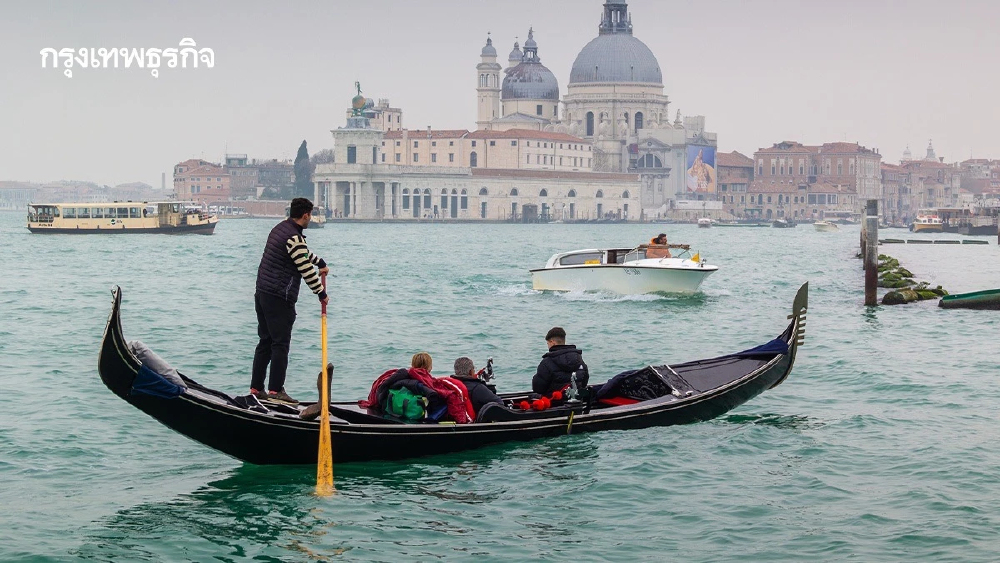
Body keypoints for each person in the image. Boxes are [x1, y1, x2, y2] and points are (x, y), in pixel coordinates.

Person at [250, 197, 329, 404]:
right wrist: (321, 294)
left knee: (265, 341)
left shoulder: (280, 229)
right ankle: (276, 391)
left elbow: (301, 253)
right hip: (279, 297)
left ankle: (256, 388)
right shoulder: (293, 238)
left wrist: (319, 261)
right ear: (305, 215)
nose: (310, 219)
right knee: (280, 344)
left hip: (262, 293)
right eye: (310, 215)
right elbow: (305, 269)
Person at [532, 327, 589, 396]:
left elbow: (538, 388)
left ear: (552, 342)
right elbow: (584, 382)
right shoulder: (579, 359)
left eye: (547, 343)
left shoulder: (546, 362)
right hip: (576, 399)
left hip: (554, 401)